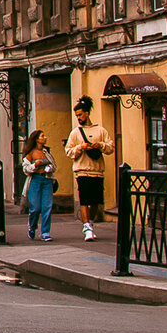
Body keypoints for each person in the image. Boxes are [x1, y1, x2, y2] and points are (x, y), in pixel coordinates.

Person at [64, 95, 113, 242]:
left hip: (97, 171)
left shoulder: (100, 130)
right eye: (76, 115)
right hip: (82, 170)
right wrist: (80, 147)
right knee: (84, 200)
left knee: (96, 201)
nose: (78, 118)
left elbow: (110, 148)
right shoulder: (75, 133)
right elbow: (68, 151)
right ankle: (87, 227)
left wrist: (100, 145)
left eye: (80, 114)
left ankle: (90, 223)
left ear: (86, 113)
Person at [22, 129, 56, 242]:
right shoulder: (30, 153)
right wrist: (34, 165)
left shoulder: (46, 152)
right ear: (37, 139)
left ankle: (45, 232)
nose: (45, 138)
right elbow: (25, 169)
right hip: (35, 180)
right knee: (35, 208)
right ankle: (32, 226)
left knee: (47, 206)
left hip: (47, 180)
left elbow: (54, 166)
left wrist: (50, 168)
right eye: (42, 136)